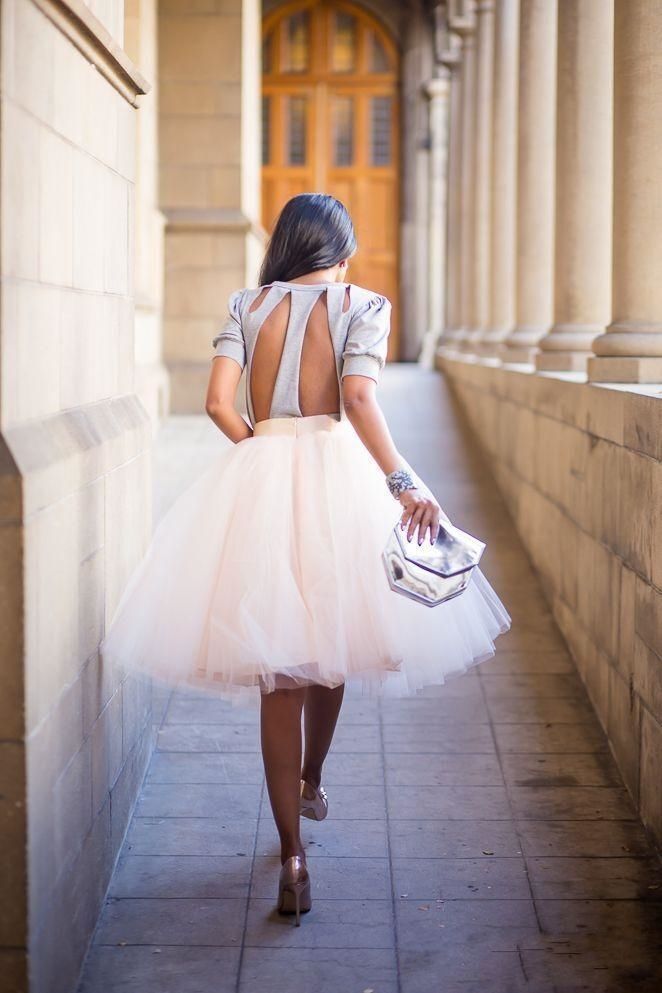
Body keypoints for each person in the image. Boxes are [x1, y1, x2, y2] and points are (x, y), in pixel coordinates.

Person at [100, 192, 511, 926]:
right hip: (333, 478)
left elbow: (217, 403)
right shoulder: (363, 304)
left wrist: (261, 449)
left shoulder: (247, 304)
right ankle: (312, 778)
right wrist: (405, 484)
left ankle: (291, 856)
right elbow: (359, 398)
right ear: (341, 249)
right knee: (332, 639)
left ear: (286, 244)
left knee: (277, 671)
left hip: (259, 475)